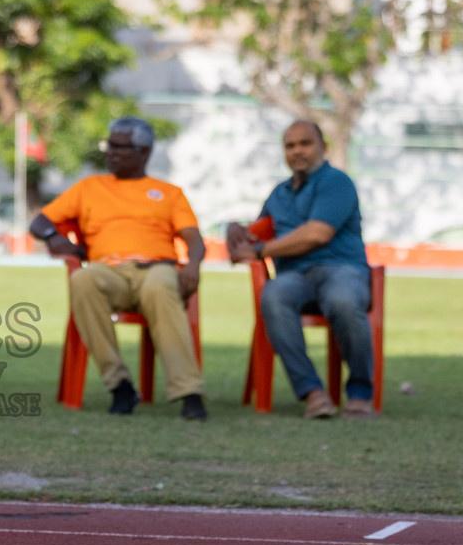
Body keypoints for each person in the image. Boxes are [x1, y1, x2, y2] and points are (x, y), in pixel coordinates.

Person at [30, 117, 208, 420]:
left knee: (161, 287)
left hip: (156, 269)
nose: (110, 152)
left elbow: (193, 237)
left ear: (144, 152)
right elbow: (39, 222)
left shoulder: (168, 193)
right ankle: (120, 385)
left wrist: (192, 264)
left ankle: (188, 392)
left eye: (119, 147)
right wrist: (53, 238)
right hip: (107, 272)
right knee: (83, 279)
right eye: (108, 146)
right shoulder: (89, 188)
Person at [226, 120, 375, 420]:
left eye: (305, 143)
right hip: (294, 276)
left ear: (323, 147)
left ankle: (360, 394)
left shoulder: (337, 182)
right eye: (290, 145)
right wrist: (236, 230)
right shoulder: (278, 194)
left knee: (343, 300)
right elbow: (256, 235)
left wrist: (261, 250)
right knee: (274, 296)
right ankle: (313, 393)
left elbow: (317, 234)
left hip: (340, 268)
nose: (297, 151)